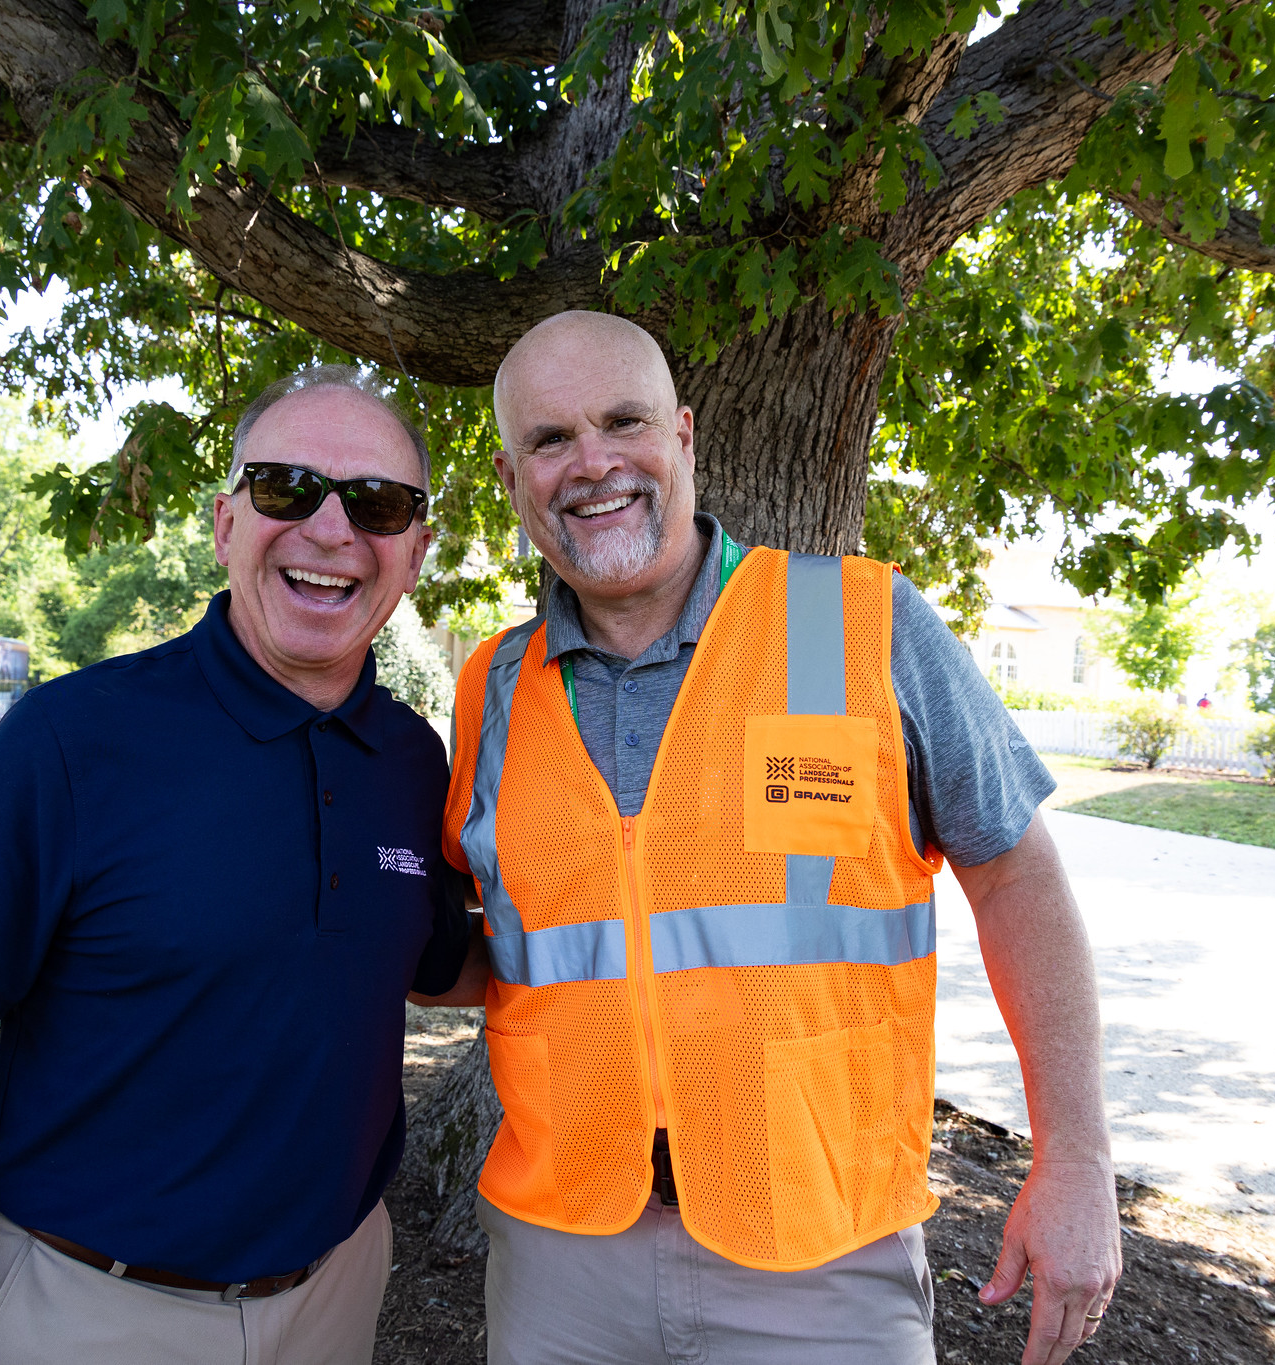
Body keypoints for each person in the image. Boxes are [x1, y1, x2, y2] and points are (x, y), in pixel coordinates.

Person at [433, 311, 1120, 1365]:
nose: (594, 462)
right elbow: (514, 949)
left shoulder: (862, 625)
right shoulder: (489, 689)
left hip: (818, 1255)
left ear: (685, 437)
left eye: (625, 420)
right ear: (510, 474)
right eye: (551, 439)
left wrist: (1073, 1161)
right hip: (560, 1254)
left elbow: (1018, 879)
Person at [0, 366, 471, 1365]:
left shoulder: (414, 762)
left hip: (335, 1298)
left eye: (378, 504)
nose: (332, 530)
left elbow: (444, 966)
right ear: (223, 523)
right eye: (287, 488)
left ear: (415, 552)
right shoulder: (71, 744)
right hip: (84, 1312)